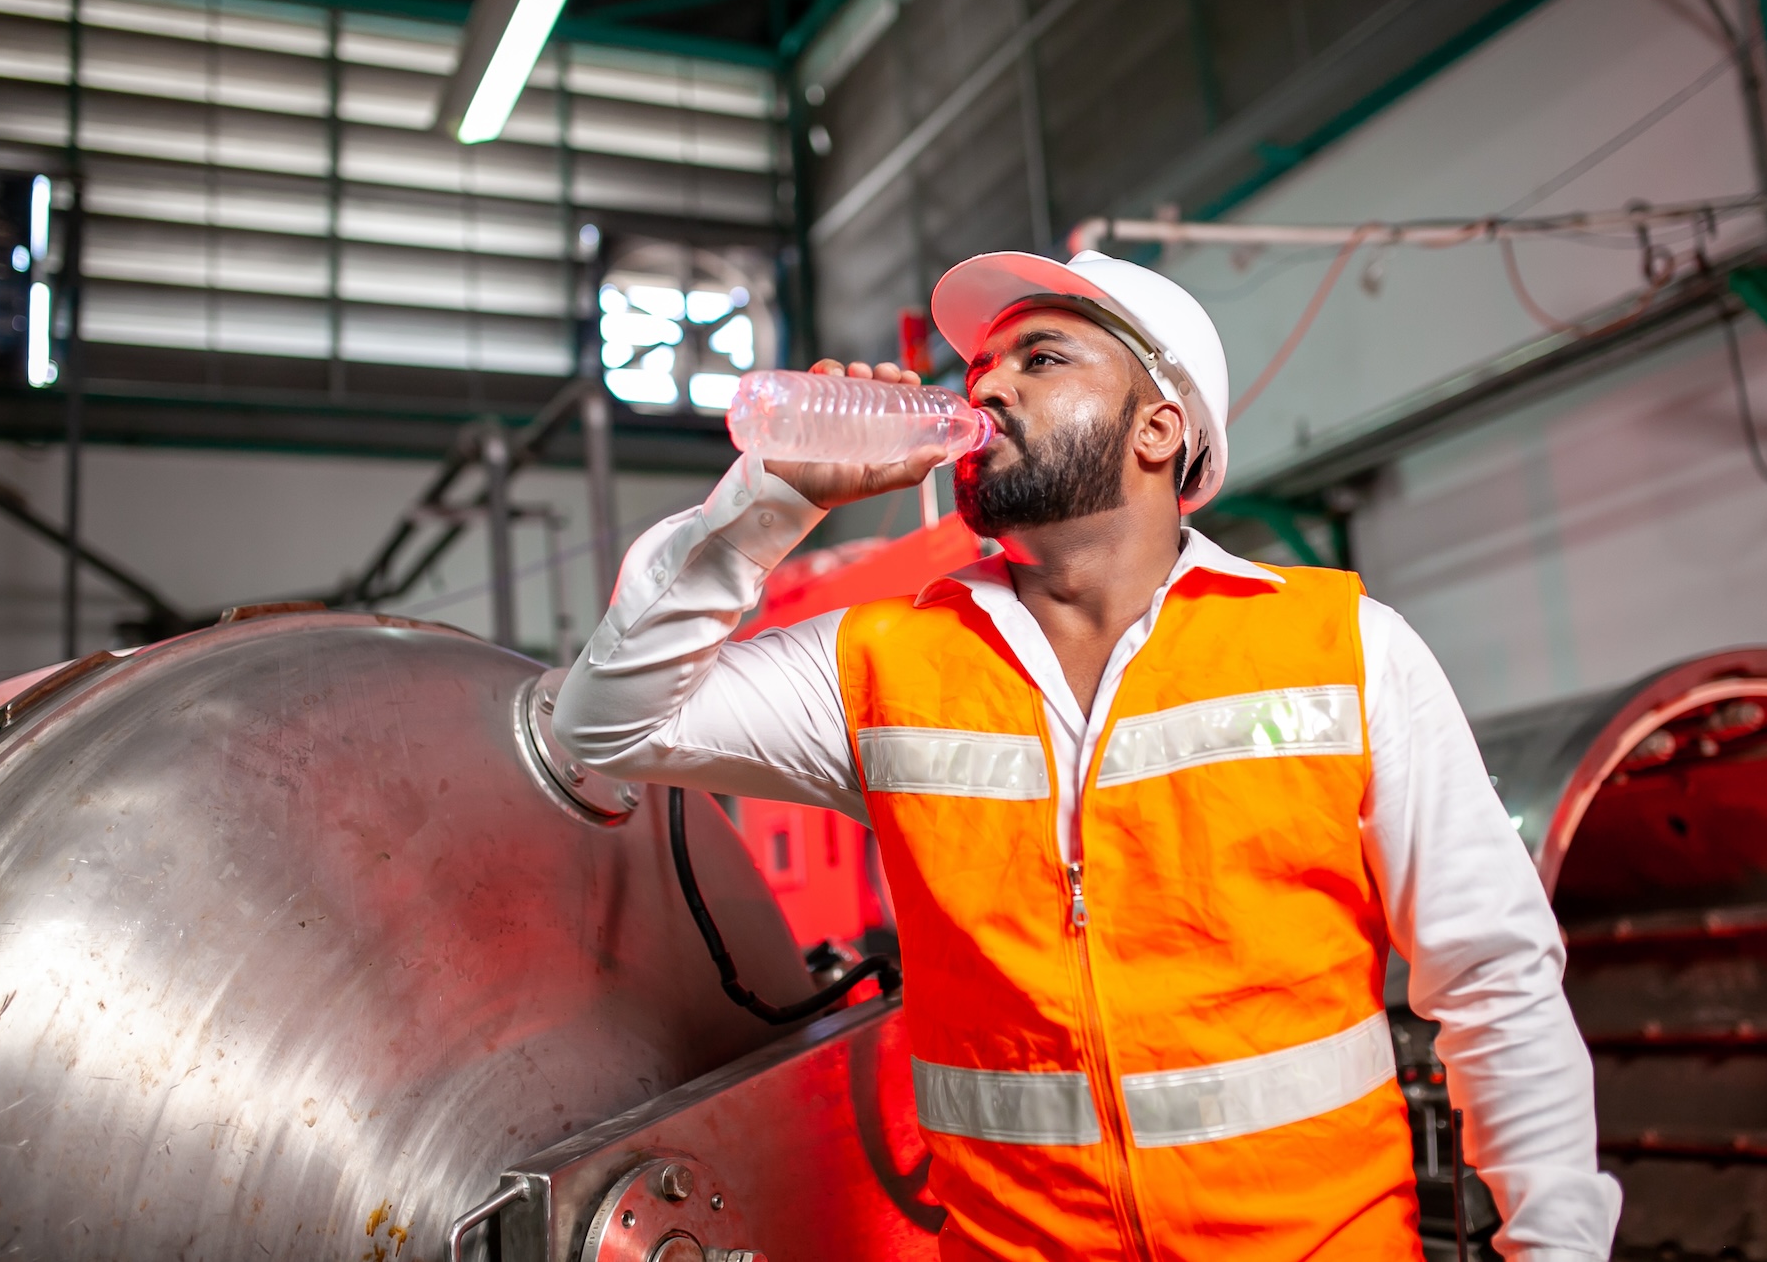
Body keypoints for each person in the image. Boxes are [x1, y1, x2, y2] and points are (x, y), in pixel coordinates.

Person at [559, 250, 1621, 1261]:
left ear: (1157, 429)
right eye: (979, 368)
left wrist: (1554, 1244)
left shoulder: (1344, 649)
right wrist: (771, 502)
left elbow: (1495, 979)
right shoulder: (879, 662)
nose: (987, 389)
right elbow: (604, 721)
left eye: (1042, 358)